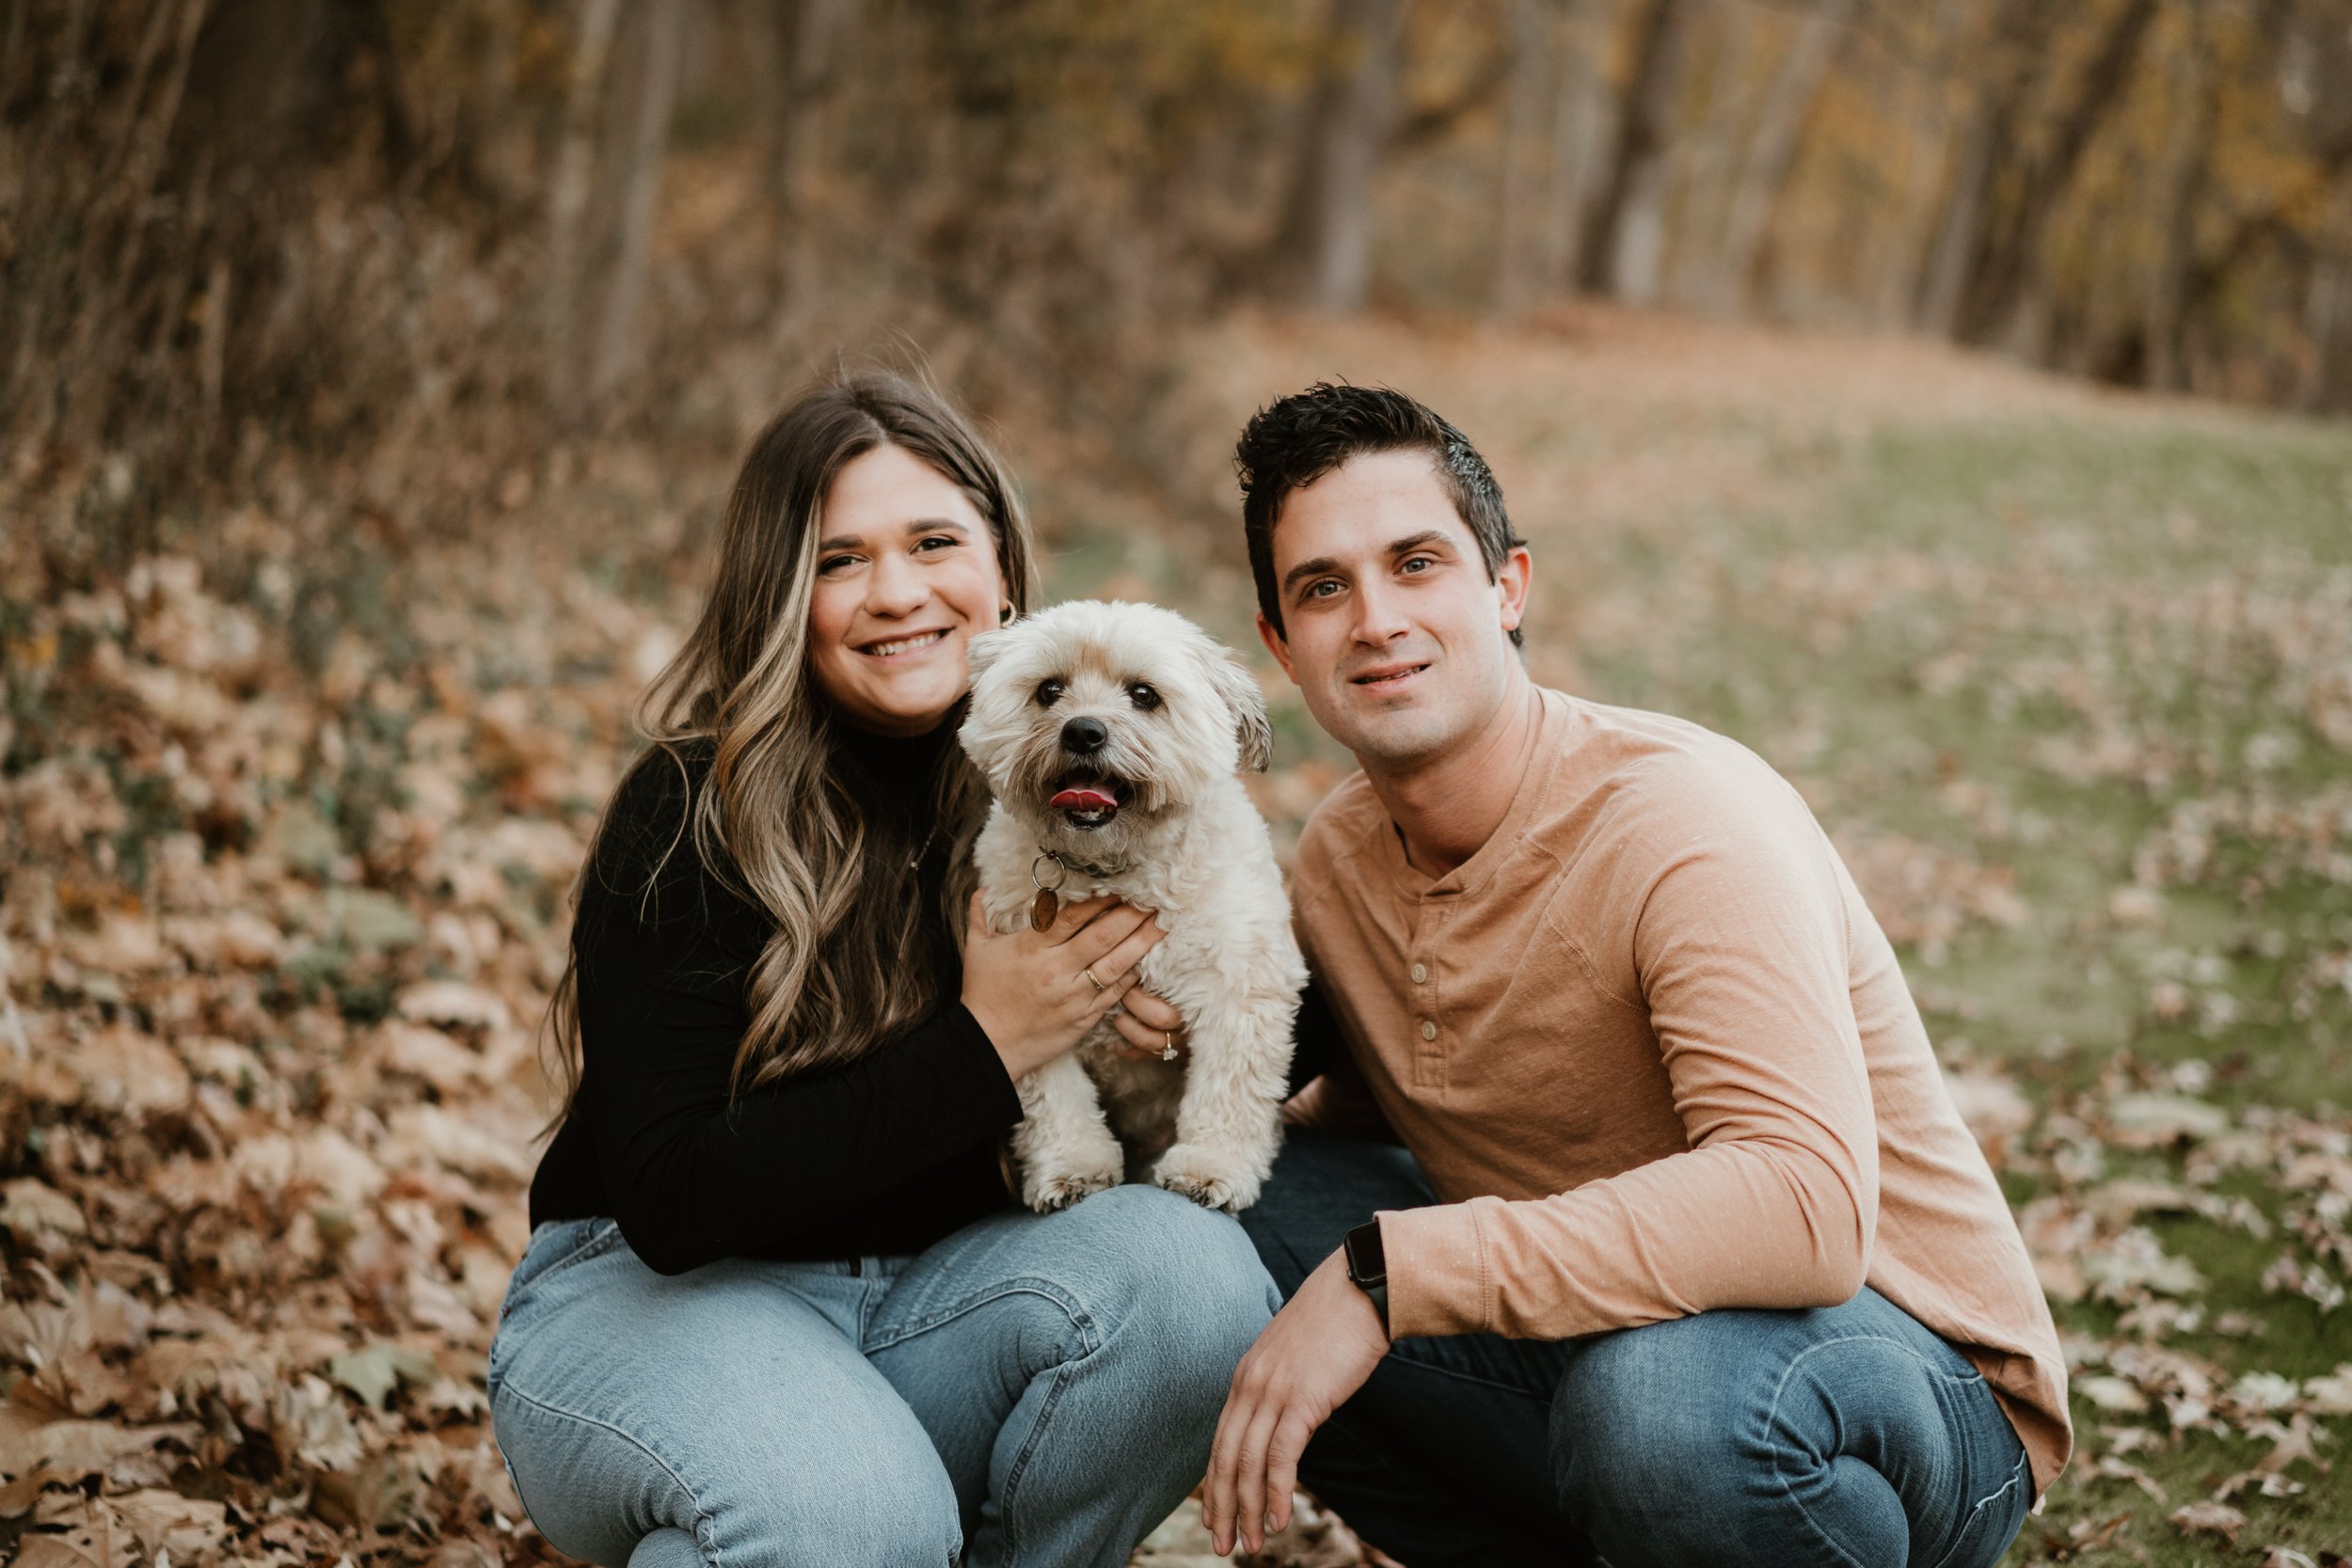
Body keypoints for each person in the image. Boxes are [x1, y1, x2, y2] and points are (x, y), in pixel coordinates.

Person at [1202, 384, 2071, 1568]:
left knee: (1654, 1411)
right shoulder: (1341, 858)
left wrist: (1383, 1274)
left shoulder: (1683, 821)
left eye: (1416, 563)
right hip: (1603, 1338)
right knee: (1223, 1201)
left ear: (1507, 587)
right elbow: (1372, 1112)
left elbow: (1804, 1208)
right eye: (1322, 587)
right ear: (1279, 645)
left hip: (1901, 1383)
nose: (1374, 619)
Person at [487, 370, 1279, 1568]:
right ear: (782, 597)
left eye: (932, 543)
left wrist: (1164, 1031)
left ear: (1003, 579)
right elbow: (669, 1198)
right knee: (851, 1522)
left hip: (940, 1307)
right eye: (840, 559)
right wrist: (988, 1041)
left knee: (1196, 1282)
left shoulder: (1093, 795)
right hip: (657, 1302)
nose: (897, 591)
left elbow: (1260, 983)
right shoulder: (691, 807)